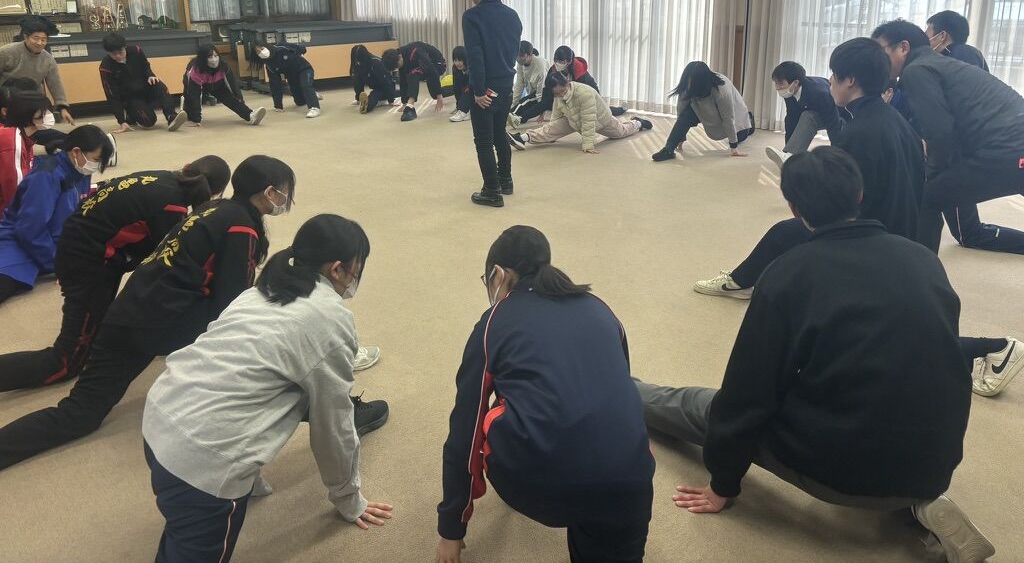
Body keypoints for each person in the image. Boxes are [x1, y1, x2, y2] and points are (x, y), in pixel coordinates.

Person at [637, 148, 993, 563]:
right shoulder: (922, 258)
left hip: (839, 474)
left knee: (702, 406)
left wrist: (723, 484)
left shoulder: (790, 273)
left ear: (793, 208)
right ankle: (918, 505)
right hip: (935, 463)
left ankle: (622, 391)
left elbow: (748, 395)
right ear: (859, 195)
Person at [0, 155, 293, 470]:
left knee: (78, 399)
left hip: (128, 311)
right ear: (269, 192)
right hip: (144, 325)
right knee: (80, 413)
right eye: (285, 191)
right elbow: (231, 305)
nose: (287, 199)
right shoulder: (240, 228)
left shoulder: (215, 209)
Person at [143, 214, 392, 563]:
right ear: (337, 269)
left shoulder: (262, 290)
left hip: (160, 415)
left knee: (180, 527)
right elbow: (333, 425)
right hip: (202, 464)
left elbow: (237, 378)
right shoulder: (330, 319)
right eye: (355, 270)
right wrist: (349, 498)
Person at [437, 226, 654, 563]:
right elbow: (618, 388)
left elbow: (465, 430)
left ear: (498, 275)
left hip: (540, 487)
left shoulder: (493, 323)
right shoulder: (601, 308)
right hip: (629, 481)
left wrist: (451, 528)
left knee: (492, 414)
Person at [694, 38, 924, 299]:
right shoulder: (896, 121)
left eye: (834, 75)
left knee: (785, 232)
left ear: (850, 80)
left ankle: (738, 283)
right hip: (903, 233)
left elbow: (838, 204)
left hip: (872, 238)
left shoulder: (860, 133)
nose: (830, 81)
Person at [0, 156, 230, 392]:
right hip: (87, 263)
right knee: (67, 361)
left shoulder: (162, 178)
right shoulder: (172, 207)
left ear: (187, 167)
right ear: (216, 193)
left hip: (84, 249)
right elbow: (161, 263)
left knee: (98, 331)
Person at [872, 19, 1024, 255]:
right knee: (944, 199)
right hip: (1009, 144)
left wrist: (931, 175)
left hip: (1007, 149)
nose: (877, 61)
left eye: (880, 52)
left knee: (928, 198)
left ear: (903, 47)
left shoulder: (916, 70)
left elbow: (940, 131)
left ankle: (920, 270)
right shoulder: (939, 64)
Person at [0, 125, 113, 308]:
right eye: (96, 160)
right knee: (7, 282)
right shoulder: (46, 176)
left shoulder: (80, 171)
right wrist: (58, 263)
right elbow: (29, 230)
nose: (97, 166)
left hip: (52, 242)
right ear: (76, 152)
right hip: (18, 243)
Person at [461, 0, 522, 208]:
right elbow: (511, 51)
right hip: (506, 85)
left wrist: (478, 91)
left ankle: (491, 191)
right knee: (499, 134)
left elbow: (475, 57)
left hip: (485, 89)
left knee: (484, 141)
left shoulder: (472, 17)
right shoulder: (513, 15)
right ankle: (505, 180)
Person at [507, 72, 651, 154]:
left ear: (567, 83)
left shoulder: (584, 93)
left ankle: (638, 122)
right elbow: (557, 112)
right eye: (556, 94)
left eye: (562, 92)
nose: (560, 95)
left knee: (621, 132)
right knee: (550, 129)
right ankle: (522, 138)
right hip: (573, 119)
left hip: (601, 120)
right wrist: (552, 133)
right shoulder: (558, 95)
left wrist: (588, 144)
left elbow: (589, 120)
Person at [651, 61, 754, 162]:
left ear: (701, 83)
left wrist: (734, 148)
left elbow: (728, 118)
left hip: (735, 115)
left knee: (740, 136)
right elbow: (681, 111)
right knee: (686, 115)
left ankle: (750, 120)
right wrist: (680, 138)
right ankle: (668, 150)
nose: (689, 84)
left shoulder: (722, 90)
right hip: (704, 108)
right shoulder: (687, 84)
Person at [507, 45, 625, 129]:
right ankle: (520, 118)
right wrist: (542, 111)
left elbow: (585, 92)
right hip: (562, 94)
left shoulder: (578, 69)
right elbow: (546, 92)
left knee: (600, 112)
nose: (559, 64)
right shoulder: (553, 69)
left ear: (569, 61)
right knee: (543, 102)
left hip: (585, 94)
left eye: (562, 62)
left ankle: (621, 109)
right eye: (556, 61)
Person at [0, 16, 75, 145]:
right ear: (26, 36)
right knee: (12, 135)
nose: (40, 43)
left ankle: (76, 143)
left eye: (43, 39)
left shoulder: (48, 59)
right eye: (36, 38)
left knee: (36, 132)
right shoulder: (6, 52)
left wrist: (62, 107)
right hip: (7, 102)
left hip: (31, 103)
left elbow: (55, 84)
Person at [100, 32, 187, 133]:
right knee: (149, 122)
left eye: (120, 52)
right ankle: (131, 115)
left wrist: (151, 75)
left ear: (125, 47)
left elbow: (145, 65)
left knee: (158, 84)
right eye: (114, 54)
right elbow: (112, 95)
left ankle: (171, 116)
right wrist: (121, 121)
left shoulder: (136, 51)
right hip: (131, 98)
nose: (118, 56)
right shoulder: (106, 68)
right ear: (108, 53)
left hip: (145, 88)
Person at [764, 60, 843, 169]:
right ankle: (789, 155)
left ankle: (791, 156)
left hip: (838, 114)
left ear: (795, 82)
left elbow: (833, 124)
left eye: (780, 83)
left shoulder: (819, 93)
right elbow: (791, 119)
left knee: (808, 116)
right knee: (800, 117)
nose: (777, 87)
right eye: (776, 83)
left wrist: (837, 156)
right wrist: (788, 148)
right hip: (816, 112)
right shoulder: (789, 91)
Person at [183, 44, 266, 128]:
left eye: (216, 56)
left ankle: (250, 116)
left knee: (232, 99)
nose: (214, 59)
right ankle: (189, 117)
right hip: (195, 85)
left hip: (217, 85)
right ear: (203, 59)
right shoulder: (195, 70)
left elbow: (232, 84)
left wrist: (239, 99)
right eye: (210, 57)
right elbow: (194, 95)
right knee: (190, 99)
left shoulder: (224, 65)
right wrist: (196, 119)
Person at [0, 90, 51, 216]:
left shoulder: (22, 137)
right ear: (31, 114)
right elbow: (15, 190)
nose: (49, 115)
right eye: (44, 112)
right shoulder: (12, 139)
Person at [381, 41, 446, 122]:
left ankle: (410, 106)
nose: (397, 68)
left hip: (438, 64)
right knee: (434, 95)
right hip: (423, 68)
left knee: (414, 73)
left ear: (400, 56)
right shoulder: (398, 56)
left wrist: (439, 96)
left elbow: (432, 72)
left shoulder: (416, 52)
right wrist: (404, 102)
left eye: (397, 66)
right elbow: (403, 81)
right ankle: (455, 88)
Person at [254, 42, 321, 119]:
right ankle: (313, 94)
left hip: (304, 69)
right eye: (258, 52)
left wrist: (300, 52)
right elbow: (275, 84)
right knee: (299, 102)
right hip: (291, 76)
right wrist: (278, 105)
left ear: (267, 46)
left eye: (262, 49)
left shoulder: (282, 47)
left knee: (306, 85)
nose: (261, 52)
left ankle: (314, 108)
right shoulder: (269, 65)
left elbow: (301, 48)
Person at [351, 44, 398, 114]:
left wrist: (391, 100)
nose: (357, 61)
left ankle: (379, 102)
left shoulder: (376, 63)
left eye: (359, 59)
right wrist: (358, 98)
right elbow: (358, 82)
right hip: (376, 88)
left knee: (371, 102)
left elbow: (386, 82)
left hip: (384, 87)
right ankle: (379, 101)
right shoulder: (358, 65)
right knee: (374, 94)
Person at [511, 41, 549, 115]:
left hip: (543, 94)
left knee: (522, 106)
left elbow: (541, 92)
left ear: (530, 54)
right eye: (517, 55)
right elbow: (519, 84)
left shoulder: (540, 67)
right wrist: (513, 105)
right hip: (532, 94)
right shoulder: (521, 63)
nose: (518, 58)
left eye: (521, 55)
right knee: (516, 108)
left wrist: (541, 113)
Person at [448, 46, 473, 123]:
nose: (457, 63)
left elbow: (472, 85)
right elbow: (457, 87)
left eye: (460, 60)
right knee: (457, 87)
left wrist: (463, 108)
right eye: (455, 60)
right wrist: (458, 105)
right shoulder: (455, 68)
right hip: (465, 87)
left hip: (476, 88)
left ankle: (465, 112)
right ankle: (460, 109)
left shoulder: (472, 67)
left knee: (468, 89)